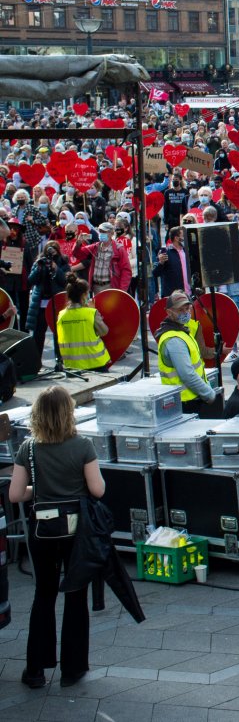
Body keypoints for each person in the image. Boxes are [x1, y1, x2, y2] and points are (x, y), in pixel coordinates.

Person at [8, 386, 106, 689]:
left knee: (44, 595)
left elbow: (15, 495)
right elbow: (97, 490)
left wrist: (43, 490)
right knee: (75, 595)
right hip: (77, 532)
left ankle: (36, 670)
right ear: (68, 414)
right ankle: (72, 668)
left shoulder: (29, 448)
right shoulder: (83, 446)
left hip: (43, 530)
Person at [155, 291, 218, 414]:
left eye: (187, 308)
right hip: (185, 403)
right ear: (169, 312)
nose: (186, 313)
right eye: (180, 310)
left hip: (189, 399)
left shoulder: (180, 331)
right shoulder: (174, 340)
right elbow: (187, 374)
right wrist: (209, 394)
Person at [56, 275, 109, 371]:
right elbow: (104, 331)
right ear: (84, 295)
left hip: (72, 365)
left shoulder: (61, 315)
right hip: (96, 362)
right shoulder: (91, 313)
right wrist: (94, 311)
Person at [71, 221, 130, 294]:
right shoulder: (95, 246)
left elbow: (126, 270)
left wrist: (122, 290)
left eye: (104, 232)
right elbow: (77, 254)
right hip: (96, 287)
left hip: (110, 286)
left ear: (111, 233)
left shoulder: (119, 249)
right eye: (100, 231)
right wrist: (78, 243)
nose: (102, 234)